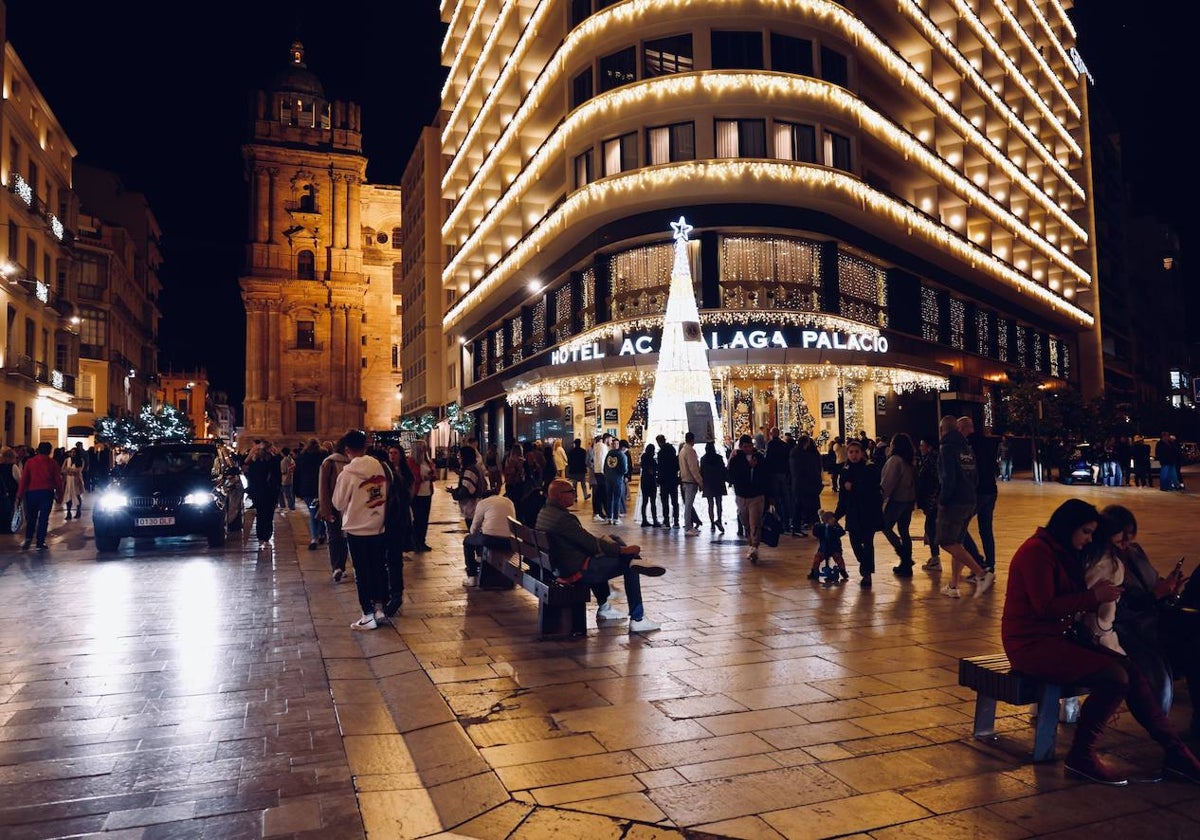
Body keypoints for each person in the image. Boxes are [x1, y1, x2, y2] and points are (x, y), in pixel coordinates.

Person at [1002, 498, 1200, 785]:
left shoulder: (1061, 550)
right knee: (1116, 677)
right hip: (1030, 645)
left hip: (1056, 639)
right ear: (1068, 527)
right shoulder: (1037, 552)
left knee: (1130, 669)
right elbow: (1044, 607)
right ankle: (1082, 754)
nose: (1089, 539)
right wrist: (1093, 598)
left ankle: (1175, 751)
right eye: (1085, 531)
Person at [1102, 504, 1200, 732]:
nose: (1126, 543)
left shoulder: (1134, 552)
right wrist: (1156, 595)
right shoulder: (1104, 564)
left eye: (1129, 536)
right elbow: (1121, 608)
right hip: (1133, 629)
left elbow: (1153, 582)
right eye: (1120, 538)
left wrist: (1169, 586)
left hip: (1158, 617)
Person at [537, 479, 666, 633]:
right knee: (630, 565)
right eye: (571, 491)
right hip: (574, 570)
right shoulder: (563, 519)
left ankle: (605, 606)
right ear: (559, 495)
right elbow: (589, 543)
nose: (574, 494)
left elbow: (584, 541)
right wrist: (621, 551)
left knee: (613, 540)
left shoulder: (546, 512)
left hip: (562, 565)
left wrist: (611, 547)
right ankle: (638, 619)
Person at [333, 430, 389, 631]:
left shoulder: (347, 473)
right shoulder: (378, 467)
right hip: (378, 525)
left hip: (357, 529)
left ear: (347, 450)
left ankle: (367, 614)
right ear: (365, 446)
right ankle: (380, 608)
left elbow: (338, 503)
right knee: (378, 568)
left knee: (362, 572)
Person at [935, 415, 993, 598]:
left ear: (942, 430)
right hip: (970, 499)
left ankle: (981, 573)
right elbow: (975, 476)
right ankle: (953, 586)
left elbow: (947, 479)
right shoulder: (966, 448)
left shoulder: (946, 449)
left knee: (946, 541)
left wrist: (943, 501)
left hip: (955, 502)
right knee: (958, 543)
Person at [833, 438, 884, 588]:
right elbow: (843, 496)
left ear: (862, 453)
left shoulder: (870, 468)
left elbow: (871, 489)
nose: (854, 455)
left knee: (868, 543)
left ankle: (867, 574)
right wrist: (836, 516)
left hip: (869, 512)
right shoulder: (845, 471)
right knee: (855, 543)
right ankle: (865, 564)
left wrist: (853, 487)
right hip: (853, 513)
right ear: (847, 454)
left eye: (856, 452)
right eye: (851, 452)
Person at [379, 444, 414, 617]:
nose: (392, 456)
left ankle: (393, 595)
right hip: (396, 521)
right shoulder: (389, 474)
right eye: (390, 453)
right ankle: (393, 594)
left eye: (395, 453)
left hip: (395, 522)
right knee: (392, 560)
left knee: (392, 559)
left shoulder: (397, 476)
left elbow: (409, 494)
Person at [726, 434, 768, 564]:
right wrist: (748, 467)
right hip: (741, 495)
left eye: (750, 446)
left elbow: (766, 475)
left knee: (754, 522)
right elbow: (731, 476)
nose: (748, 448)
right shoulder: (736, 458)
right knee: (746, 522)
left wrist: (770, 495)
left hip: (756, 495)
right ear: (741, 447)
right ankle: (751, 544)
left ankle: (754, 547)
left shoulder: (759, 457)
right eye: (745, 446)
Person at [880, 432, 917, 577]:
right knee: (904, 530)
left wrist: (881, 498)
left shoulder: (895, 460)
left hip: (897, 500)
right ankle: (906, 564)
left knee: (885, 526)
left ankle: (905, 558)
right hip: (909, 500)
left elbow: (888, 483)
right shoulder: (909, 460)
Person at [465, 489, 518, 587]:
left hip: (490, 539)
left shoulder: (483, 503)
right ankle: (481, 560)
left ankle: (472, 577)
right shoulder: (508, 501)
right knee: (482, 535)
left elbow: (474, 528)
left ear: (483, 498)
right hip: (509, 541)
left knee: (468, 541)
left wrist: (476, 532)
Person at [16, 442, 63, 550]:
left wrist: (19, 495)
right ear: (50, 451)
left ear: (38, 450)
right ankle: (40, 542)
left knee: (31, 517)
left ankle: (28, 538)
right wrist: (60, 495)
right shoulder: (53, 463)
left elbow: (24, 480)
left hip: (32, 493)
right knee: (43, 518)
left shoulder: (30, 462)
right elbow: (58, 481)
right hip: (47, 493)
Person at [454, 445, 490, 586]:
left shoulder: (469, 470)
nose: (459, 459)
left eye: (460, 456)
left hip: (472, 507)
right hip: (476, 505)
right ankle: (480, 565)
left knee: (473, 537)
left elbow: (467, 490)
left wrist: (455, 494)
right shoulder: (476, 468)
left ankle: (474, 573)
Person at [318, 437, 352, 582]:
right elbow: (323, 488)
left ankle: (340, 566)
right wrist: (325, 510)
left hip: (348, 507)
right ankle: (337, 567)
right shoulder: (330, 462)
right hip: (335, 506)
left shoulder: (353, 463)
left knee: (341, 537)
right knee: (335, 536)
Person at [243, 440, 282, 545]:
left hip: (258, 491)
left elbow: (250, 475)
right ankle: (267, 536)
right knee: (269, 514)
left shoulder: (255, 461)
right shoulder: (274, 460)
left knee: (260, 513)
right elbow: (278, 476)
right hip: (270, 491)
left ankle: (260, 535)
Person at [294, 438, 326, 550]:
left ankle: (314, 538)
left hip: (307, 490)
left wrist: (296, 490)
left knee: (313, 512)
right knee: (320, 510)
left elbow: (297, 475)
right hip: (322, 488)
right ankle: (321, 533)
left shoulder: (301, 458)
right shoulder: (324, 456)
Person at [789, 435, 822, 538]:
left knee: (798, 507)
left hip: (798, 484)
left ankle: (798, 528)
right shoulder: (805, 455)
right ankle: (815, 529)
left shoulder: (794, 453)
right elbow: (811, 470)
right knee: (808, 507)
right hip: (805, 485)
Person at [916, 437, 942, 571]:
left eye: (923, 445)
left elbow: (933, 481)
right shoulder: (932, 459)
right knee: (930, 528)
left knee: (931, 529)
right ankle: (934, 557)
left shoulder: (931, 460)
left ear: (929, 447)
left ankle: (936, 558)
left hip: (933, 502)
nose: (921, 448)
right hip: (933, 501)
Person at [408, 439, 437, 552]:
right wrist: (423, 478)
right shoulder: (412, 461)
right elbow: (412, 477)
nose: (425, 449)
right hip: (417, 494)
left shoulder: (427, 461)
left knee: (424, 519)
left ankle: (422, 541)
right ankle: (415, 542)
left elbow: (433, 476)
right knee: (418, 519)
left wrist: (432, 474)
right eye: (423, 447)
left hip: (427, 492)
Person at [763, 427, 793, 535]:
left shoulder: (771, 444)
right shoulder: (785, 445)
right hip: (784, 474)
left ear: (771, 434)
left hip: (774, 474)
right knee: (785, 498)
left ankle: (779, 522)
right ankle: (787, 523)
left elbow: (768, 459)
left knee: (776, 498)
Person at [808, 510, 848, 581]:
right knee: (817, 558)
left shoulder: (836, 527)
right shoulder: (821, 527)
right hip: (823, 548)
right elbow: (816, 533)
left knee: (838, 558)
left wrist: (833, 528)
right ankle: (813, 571)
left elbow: (842, 532)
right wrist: (815, 527)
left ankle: (843, 571)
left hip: (834, 548)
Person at [700, 441, 728, 535]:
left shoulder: (703, 459)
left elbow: (701, 471)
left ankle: (712, 523)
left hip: (708, 484)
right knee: (719, 503)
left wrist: (701, 483)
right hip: (718, 483)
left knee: (710, 504)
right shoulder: (718, 458)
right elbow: (723, 470)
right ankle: (719, 519)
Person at [678, 431, 703, 536]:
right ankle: (688, 527)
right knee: (688, 505)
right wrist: (700, 481)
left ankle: (689, 526)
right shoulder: (690, 451)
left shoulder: (682, 450)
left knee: (688, 505)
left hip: (684, 480)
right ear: (693, 440)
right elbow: (693, 468)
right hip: (690, 481)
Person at [655, 435, 680, 528]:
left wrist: (658, 479)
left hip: (664, 480)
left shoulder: (661, 453)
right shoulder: (672, 449)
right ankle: (676, 521)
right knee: (675, 501)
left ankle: (667, 521)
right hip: (673, 479)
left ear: (659, 442)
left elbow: (660, 468)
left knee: (665, 502)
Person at [602, 437, 628, 525]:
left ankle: (609, 517)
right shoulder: (622, 455)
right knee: (616, 498)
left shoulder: (609, 453)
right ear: (624, 447)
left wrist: (607, 474)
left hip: (608, 479)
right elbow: (624, 469)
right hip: (617, 479)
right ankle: (616, 518)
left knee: (609, 498)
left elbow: (605, 466)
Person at [639, 442, 660, 527]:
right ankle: (655, 520)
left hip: (644, 481)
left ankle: (644, 520)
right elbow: (654, 469)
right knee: (652, 501)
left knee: (644, 501)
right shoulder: (652, 460)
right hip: (651, 481)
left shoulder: (643, 458)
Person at [590, 435, 610, 521]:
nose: (611, 441)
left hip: (597, 471)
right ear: (606, 439)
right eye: (610, 439)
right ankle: (605, 513)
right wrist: (605, 472)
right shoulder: (602, 446)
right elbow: (603, 460)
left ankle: (599, 512)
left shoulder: (596, 446)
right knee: (603, 493)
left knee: (599, 493)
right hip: (602, 472)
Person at [0, 446, 19, 534]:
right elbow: (19, 479)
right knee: (9, 509)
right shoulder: (13, 467)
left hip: (2, 491)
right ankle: (8, 527)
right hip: (11, 491)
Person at [62, 449, 85, 520]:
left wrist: (68, 470)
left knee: (77, 495)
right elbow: (63, 470)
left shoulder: (80, 461)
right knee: (68, 496)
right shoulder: (67, 460)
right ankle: (68, 513)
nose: (73, 454)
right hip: (68, 480)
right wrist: (70, 471)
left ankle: (78, 511)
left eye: (74, 452)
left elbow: (78, 471)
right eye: (71, 452)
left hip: (76, 481)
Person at [278, 446, 296, 510]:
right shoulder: (290, 458)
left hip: (285, 479)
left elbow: (283, 471)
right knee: (289, 494)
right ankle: (291, 506)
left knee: (285, 494)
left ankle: (287, 506)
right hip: (290, 478)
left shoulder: (284, 460)